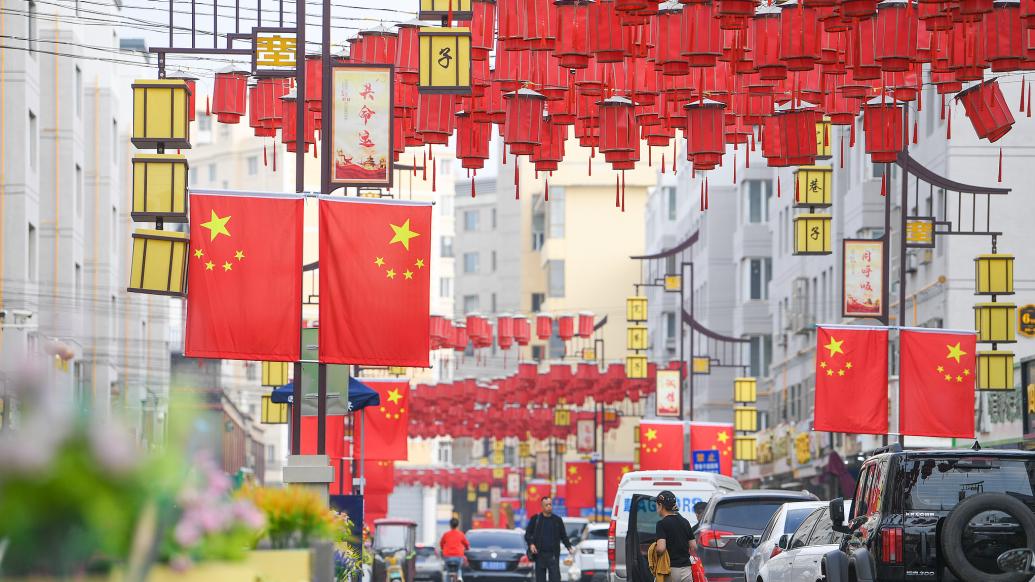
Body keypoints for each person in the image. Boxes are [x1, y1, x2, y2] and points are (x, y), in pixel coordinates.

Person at [524, 496, 574, 582]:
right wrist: (531, 544)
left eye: (550, 504)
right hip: (539, 555)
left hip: (553, 555)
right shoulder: (536, 519)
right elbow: (527, 534)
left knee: (555, 579)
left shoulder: (557, 520)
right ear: (542, 506)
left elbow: (563, 535)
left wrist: (569, 547)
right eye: (546, 505)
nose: (549, 506)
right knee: (540, 579)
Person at [654, 491, 697, 582]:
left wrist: (654, 550)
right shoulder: (685, 521)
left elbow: (661, 548)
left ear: (660, 505)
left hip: (670, 570)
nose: (656, 508)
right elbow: (693, 546)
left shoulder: (661, 524)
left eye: (657, 505)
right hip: (686, 570)